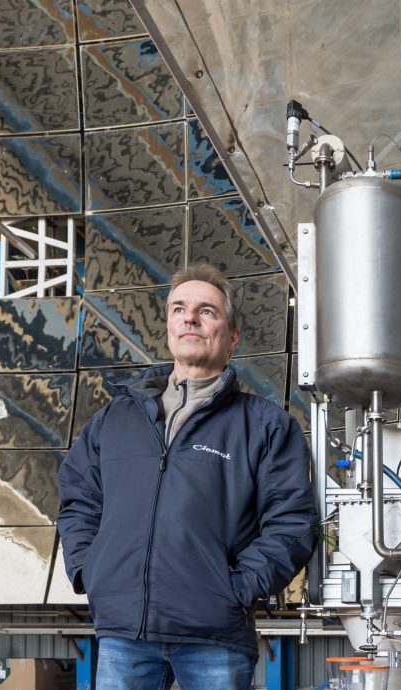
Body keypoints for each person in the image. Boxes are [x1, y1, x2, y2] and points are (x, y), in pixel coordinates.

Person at [57, 263, 318, 689]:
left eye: (206, 311)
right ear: (169, 328)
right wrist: (91, 570)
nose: (190, 318)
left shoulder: (266, 425)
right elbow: (78, 499)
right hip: (124, 632)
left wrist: (236, 590)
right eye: (179, 309)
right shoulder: (116, 418)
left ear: (232, 336)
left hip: (215, 635)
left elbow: (290, 523)